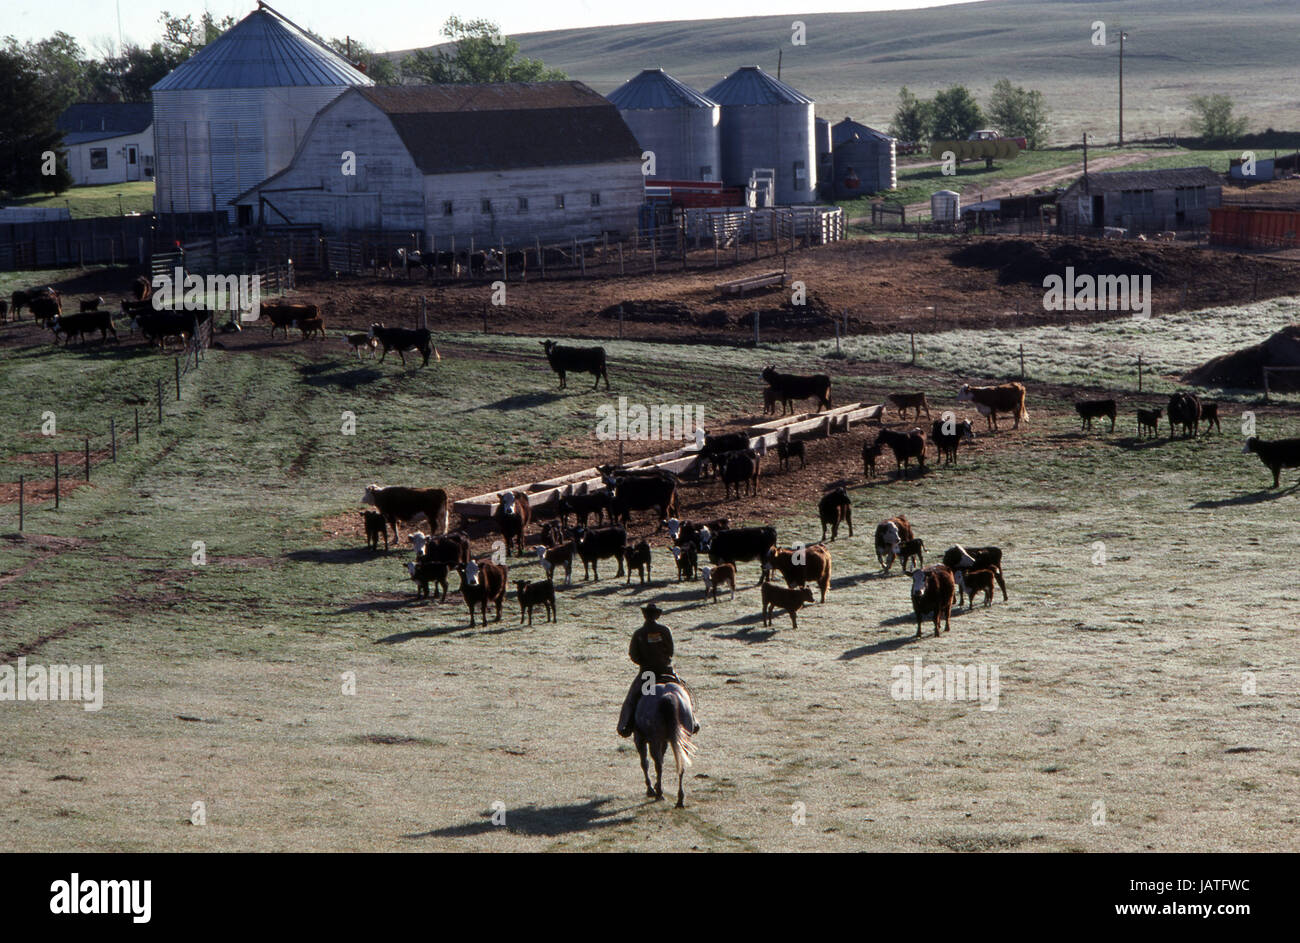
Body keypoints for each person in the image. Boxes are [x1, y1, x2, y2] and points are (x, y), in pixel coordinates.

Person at [617, 603, 681, 737]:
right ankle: (692, 720)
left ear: (644, 615)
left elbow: (633, 654)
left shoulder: (639, 633)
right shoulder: (665, 630)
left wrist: (644, 663)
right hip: (666, 671)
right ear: (657, 615)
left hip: (648, 674)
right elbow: (671, 651)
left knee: (634, 697)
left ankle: (627, 724)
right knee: (682, 691)